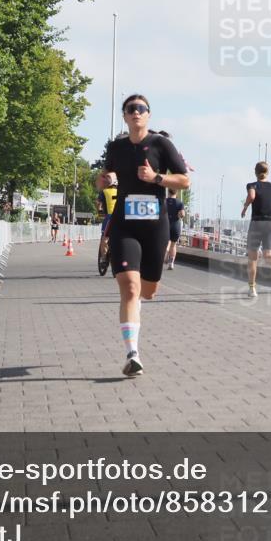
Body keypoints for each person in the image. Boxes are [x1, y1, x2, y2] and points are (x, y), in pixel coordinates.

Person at [97, 94, 189, 377]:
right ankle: (132, 354)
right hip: (125, 225)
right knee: (130, 288)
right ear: (124, 116)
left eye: (141, 109)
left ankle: (136, 310)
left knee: (147, 291)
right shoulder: (116, 147)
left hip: (154, 227)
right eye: (131, 109)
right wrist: (103, 180)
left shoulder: (161, 145)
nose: (136, 112)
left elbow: (184, 180)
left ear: (148, 115)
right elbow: (103, 176)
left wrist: (157, 179)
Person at [241, 161, 271, 298]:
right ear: (267, 172)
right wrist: (270, 205)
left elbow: (252, 196)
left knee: (253, 257)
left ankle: (252, 289)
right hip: (270, 223)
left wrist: (245, 207)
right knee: (267, 255)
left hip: (257, 222)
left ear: (255, 172)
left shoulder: (252, 185)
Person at [164, 188, 185, 270]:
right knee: (173, 245)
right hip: (175, 226)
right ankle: (171, 263)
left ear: (168, 191)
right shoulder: (180, 203)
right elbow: (182, 214)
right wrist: (180, 215)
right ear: (177, 192)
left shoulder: (164, 201)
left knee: (165, 243)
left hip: (165, 225)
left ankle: (165, 253)